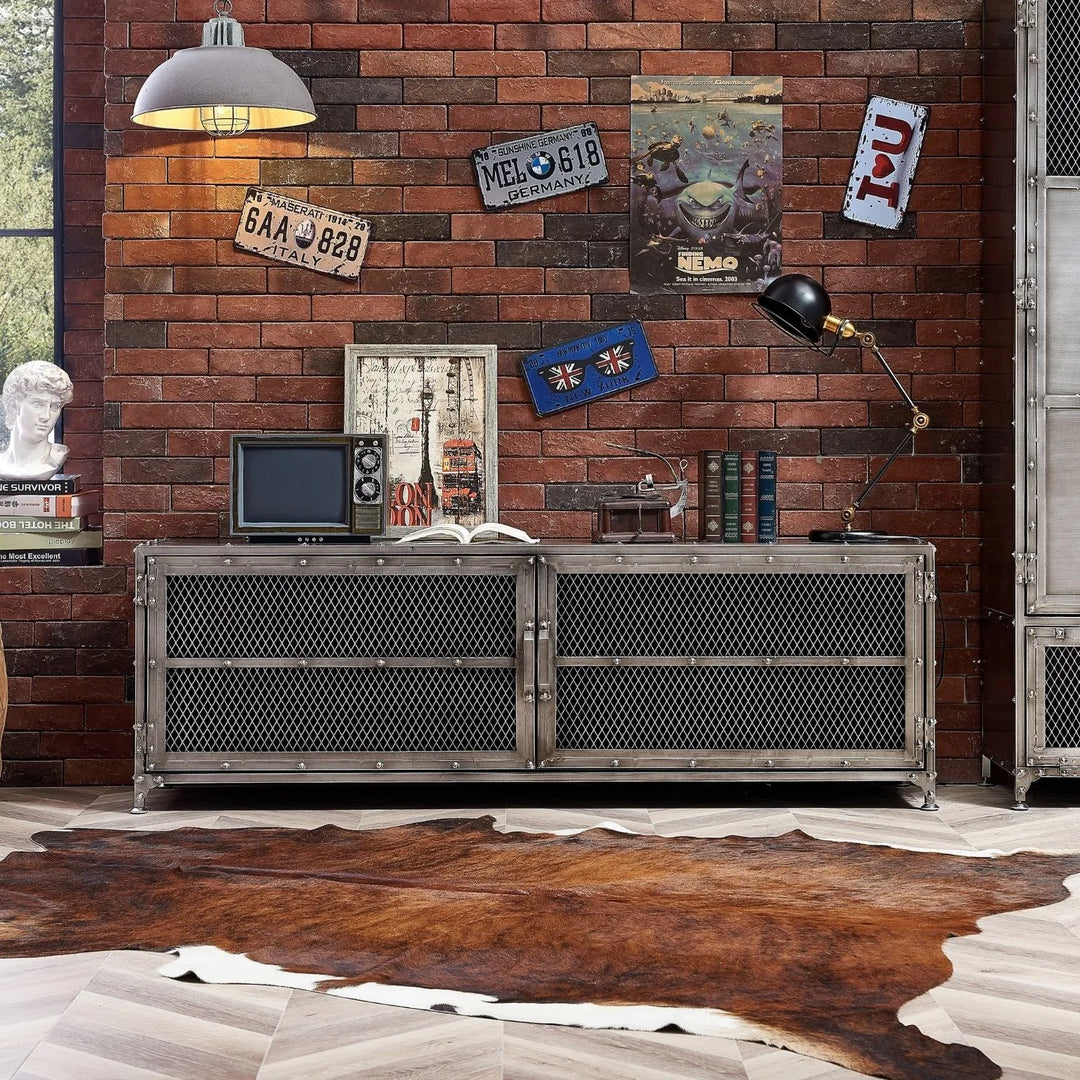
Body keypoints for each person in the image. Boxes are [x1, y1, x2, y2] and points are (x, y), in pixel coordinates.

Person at [0, 361, 74, 480]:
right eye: (37, 404)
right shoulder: (2, 464)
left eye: (54, 406)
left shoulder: (56, 457)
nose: (46, 416)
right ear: (14, 406)